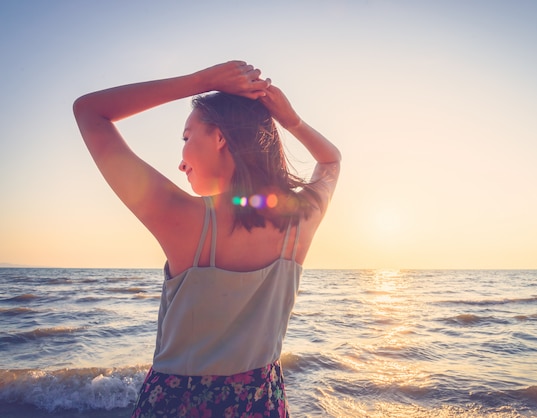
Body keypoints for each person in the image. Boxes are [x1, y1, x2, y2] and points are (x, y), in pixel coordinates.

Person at [73, 61, 341, 417]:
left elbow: (89, 111)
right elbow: (331, 161)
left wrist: (201, 81)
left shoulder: (181, 217)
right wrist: (290, 120)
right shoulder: (301, 218)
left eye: (186, 137)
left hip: (177, 403)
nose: (181, 162)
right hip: (262, 401)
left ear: (219, 137)